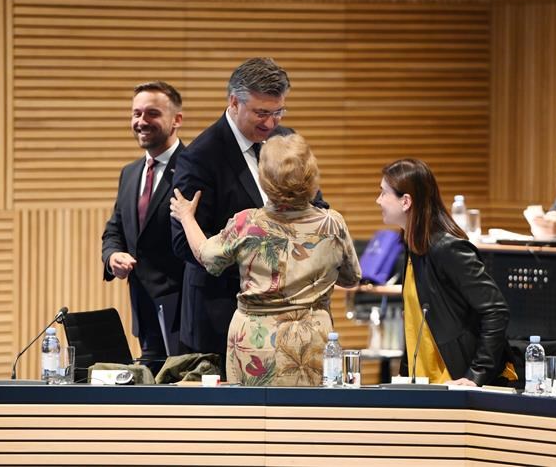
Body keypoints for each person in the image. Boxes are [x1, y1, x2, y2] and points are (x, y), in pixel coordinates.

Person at [170, 57, 326, 373]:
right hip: (221, 313)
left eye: (278, 112)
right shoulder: (199, 157)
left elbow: (317, 205)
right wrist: (262, 263)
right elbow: (183, 244)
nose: (270, 123)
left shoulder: (286, 140)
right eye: (261, 113)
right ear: (234, 102)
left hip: (289, 316)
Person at [170, 133, 361, 385]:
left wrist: (186, 217)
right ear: (311, 174)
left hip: (253, 344)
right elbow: (351, 277)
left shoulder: (246, 223)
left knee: (250, 409)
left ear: (265, 178)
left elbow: (206, 256)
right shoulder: (333, 223)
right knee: (309, 409)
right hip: (312, 343)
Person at [377, 159, 517, 387]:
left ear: (406, 201)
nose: (378, 200)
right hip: (425, 385)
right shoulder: (411, 247)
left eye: (384, 193)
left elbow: (496, 311)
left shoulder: (447, 248)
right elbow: (416, 323)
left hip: (456, 384)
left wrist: (476, 375)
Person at [102, 81, 186, 371]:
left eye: (152, 113)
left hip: (185, 315)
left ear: (176, 120)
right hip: (145, 314)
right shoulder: (129, 173)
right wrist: (112, 256)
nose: (141, 121)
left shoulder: (194, 169)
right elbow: (114, 230)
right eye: (136, 113)